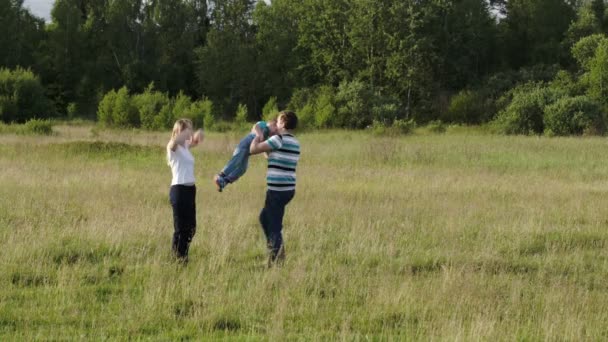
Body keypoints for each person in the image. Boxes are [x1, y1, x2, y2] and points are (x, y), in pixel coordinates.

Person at [249, 111, 300, 266]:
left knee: (273, 224)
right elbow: (269, 154)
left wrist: (256, 135)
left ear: (283, 123)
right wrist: (266, 144)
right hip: (288, 189)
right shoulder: (294, 142)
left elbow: (253, 149)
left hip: (277, 190)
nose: (276, 124)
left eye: (278, 121)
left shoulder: (278, 139)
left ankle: (276, 259)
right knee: (265, 218)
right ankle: (277, 249)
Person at [166, 118, 203, 263]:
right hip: (179, 190)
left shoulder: (186, 147)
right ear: (179, 131)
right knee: (180, 229)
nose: (190, 132)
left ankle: (182, 255)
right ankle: (178, 259)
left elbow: (198, 139)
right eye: (187, 129)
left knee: (191, 228)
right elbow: (174, 142)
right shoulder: (172, 146)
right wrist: (186, 131)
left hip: (190, 190)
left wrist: (199, 133)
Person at [213, 120, 278, 192]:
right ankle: (221, 175)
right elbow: (255, 126)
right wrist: (259, 135)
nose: (275, 133)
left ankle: (225, 181)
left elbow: (265, 150)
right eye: (275, 129)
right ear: (272, 124)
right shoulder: (265, 125)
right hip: (244, 144)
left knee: (243, 169)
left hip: (248, 152)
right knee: (237, 160)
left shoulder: (267, 138)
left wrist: (270, 158)